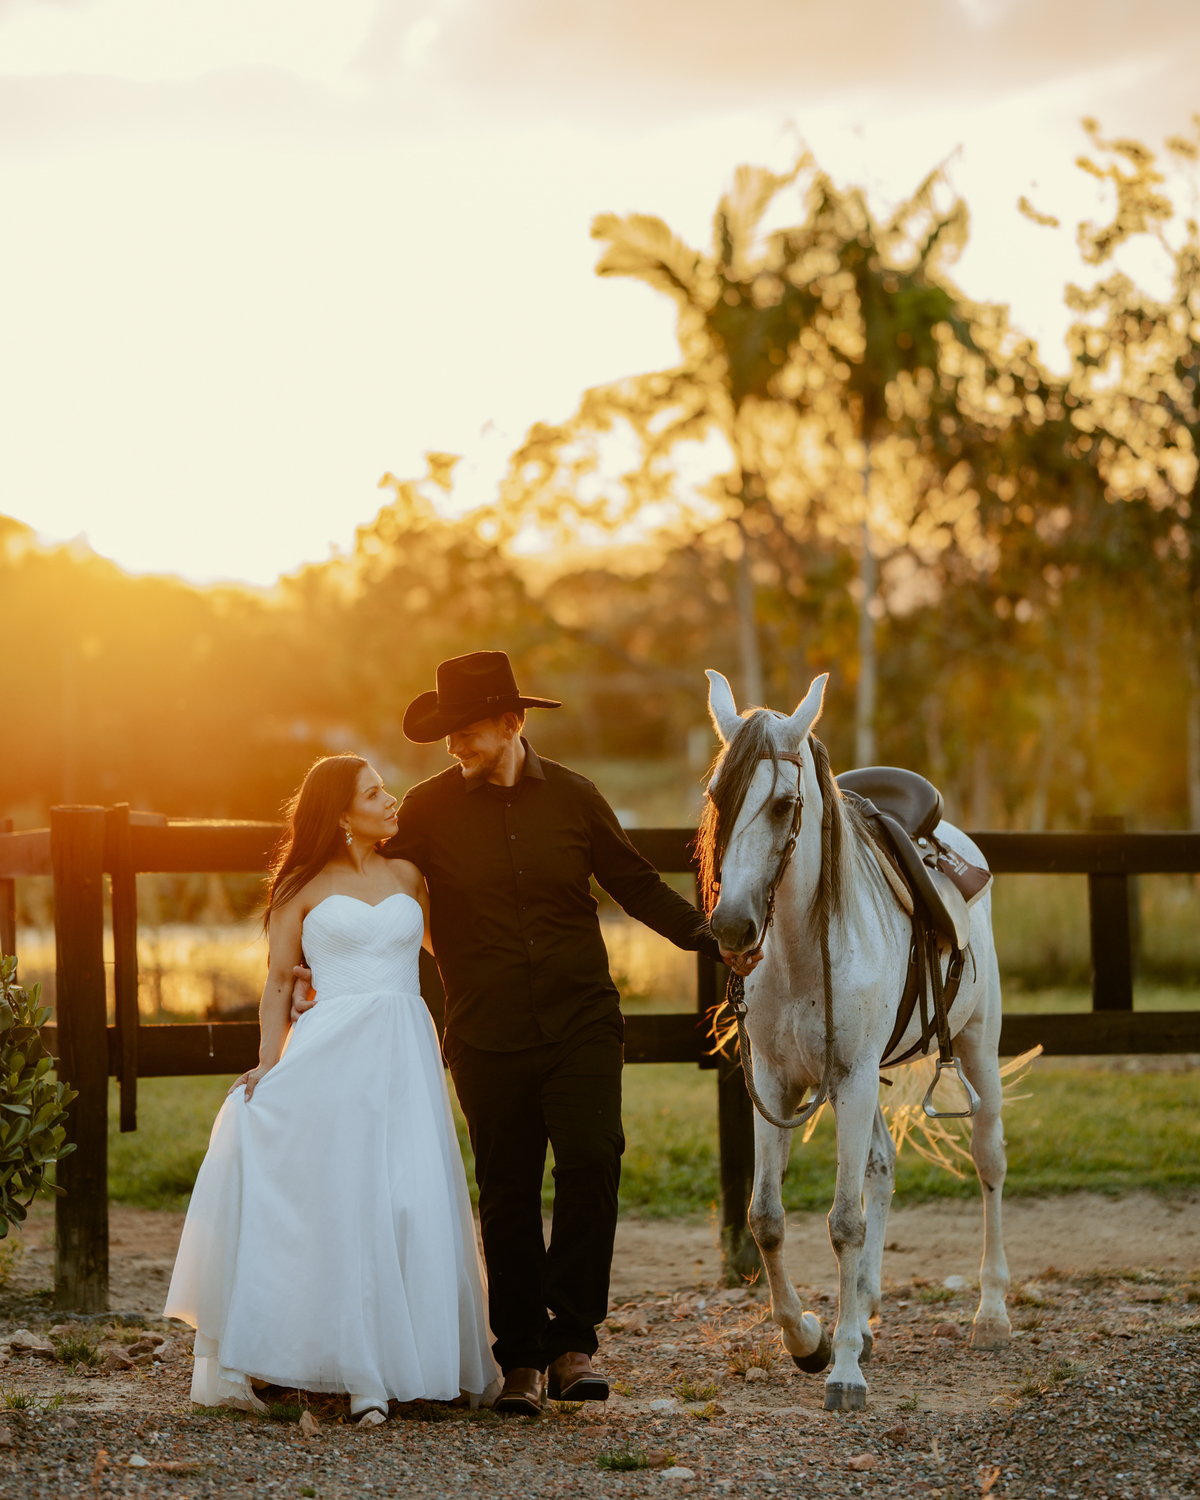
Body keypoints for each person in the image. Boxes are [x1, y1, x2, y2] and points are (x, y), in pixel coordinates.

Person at [292, 650, 760, 1416]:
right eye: (447, 736)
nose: (454, 747)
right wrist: (319, 960)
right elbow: (372, 884)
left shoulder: (575, 798)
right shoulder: (428, 810)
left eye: (467, 731)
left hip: (580, 1019)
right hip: (485, 1030)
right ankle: (521, 1360)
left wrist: (714, 937)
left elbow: (634, 883)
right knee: (505, 1192)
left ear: (512, 724)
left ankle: (573, 1340)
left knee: (590, 1160)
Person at [164, 754, 500, 1422]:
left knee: (409, 1200)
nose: (390, 799)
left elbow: (453, 952)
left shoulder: (410, 875)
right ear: (341, 813)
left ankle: (414, 1363)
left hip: (405, 1047)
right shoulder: (300, 887)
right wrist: (268, 1061)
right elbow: (279, 983)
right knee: (347, 1205)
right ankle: (351, 1372)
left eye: (385, 789)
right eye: (374, 793)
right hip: (333, 1051)